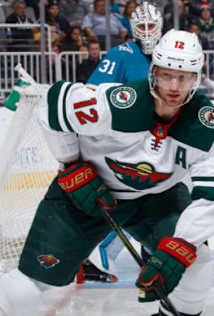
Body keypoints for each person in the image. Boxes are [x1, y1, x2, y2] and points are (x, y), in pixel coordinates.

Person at [0, 28, 214, 316]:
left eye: (183, 77)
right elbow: (53, 105)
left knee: (197, 266)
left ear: (196, 78)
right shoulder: (118, 103)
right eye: (166, 74)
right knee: (25, 290)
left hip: (157, 199)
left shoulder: (210, 128)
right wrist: (71, 163)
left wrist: (178, 248)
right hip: (84, 195)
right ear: (153, 71)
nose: (173, 85)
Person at [83, 1, 163, 281]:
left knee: (159, 199)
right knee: (140, 200)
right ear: (132, 29)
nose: (146, 31)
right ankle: (98, 254)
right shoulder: (121, 53)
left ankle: (151, 251)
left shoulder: (167, 55)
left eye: (151, 25)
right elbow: (92, 92)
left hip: (160, 143)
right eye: (140, 26)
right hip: (127, 144)